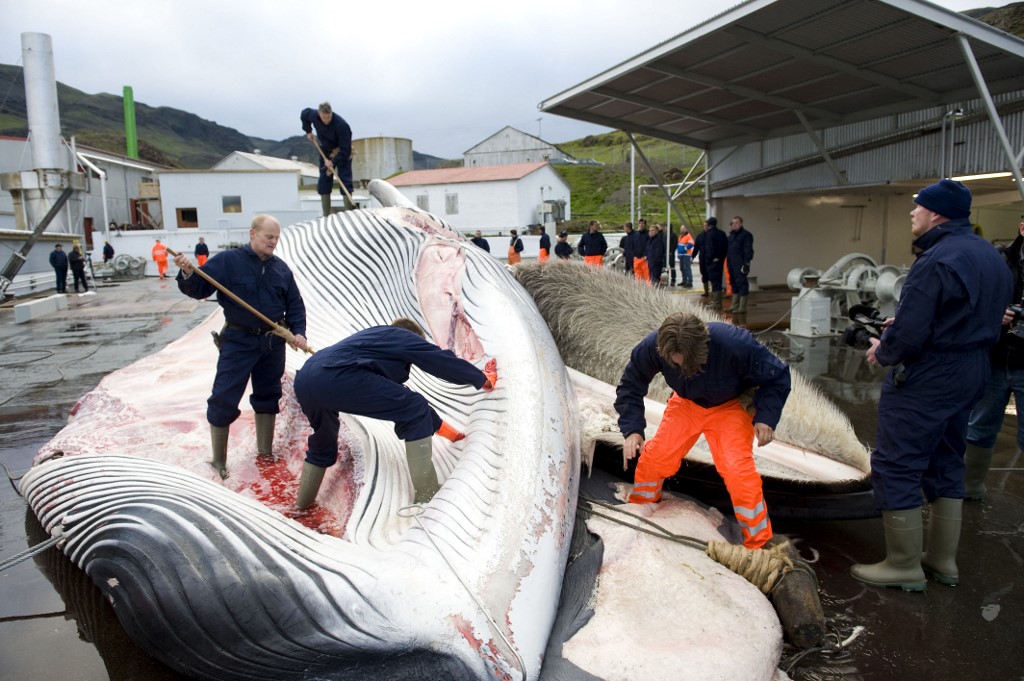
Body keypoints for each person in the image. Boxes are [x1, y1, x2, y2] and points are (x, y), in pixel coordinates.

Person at [851, 179, 1011, 591]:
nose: (912, 213)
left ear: (937, 213)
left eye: (917, 207)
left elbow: (909, 335)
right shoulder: (990, 256)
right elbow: (975, 314)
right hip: (973, 367)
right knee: (946, 456)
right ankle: (942, 560)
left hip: (931, 374)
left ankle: (903, 564)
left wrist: (883, 351)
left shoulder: (936, 260)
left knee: (897, 461)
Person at [615, 312, 791, 549]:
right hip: (686, 404)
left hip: (730, 406)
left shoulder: (736, 344)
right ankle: (642, 506)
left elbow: (777, 375)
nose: (683, 368)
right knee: (657, 456)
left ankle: (758, 543)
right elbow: (631, 385)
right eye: (676, 363)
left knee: (737, 470)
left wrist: (766, 418)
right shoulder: (652, 346)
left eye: (690, 363)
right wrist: (632, 429)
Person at [292, 318, 497, 507]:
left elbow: (395, 395)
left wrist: (449, 432)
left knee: (323, 441)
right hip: (337, 377)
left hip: (307, 380)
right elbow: (439, 360)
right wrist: (481, 379)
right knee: (414, 408)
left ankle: (302, 507)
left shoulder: (374, 339)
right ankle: (428, 493)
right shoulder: (401, 336)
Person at [173, 214, 309, 479]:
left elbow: (295, 305)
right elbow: (199, 288)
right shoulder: (227, 262)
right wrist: (188, 271)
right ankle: (219, 461)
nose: (274, 242)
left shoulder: (281, 269)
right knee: (224, 396)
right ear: (252, 233)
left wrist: (299, 333)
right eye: (269, 236)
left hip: (272, 341)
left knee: (268, 395)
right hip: (238, 340)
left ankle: (264, 452)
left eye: (277, 238)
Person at [964, 216, 1024, 500]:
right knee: (980, 425)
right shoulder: (996, 260)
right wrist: (994, 315)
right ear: (1022, 227)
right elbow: (970, 302)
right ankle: (970, 488)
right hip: (996, 357)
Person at [301, 101, 353, 216]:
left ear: (331, 114)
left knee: (345, 180)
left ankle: (349, 214)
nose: (326, 120)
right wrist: (308, 131)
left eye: (328, 117)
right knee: (324, 181)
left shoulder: (342, 125)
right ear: (319, 114)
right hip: (325, 151)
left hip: (342, 152)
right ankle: (326, 215)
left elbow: (346, 150)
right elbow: (304, 114)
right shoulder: (313, 115)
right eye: (324, 117)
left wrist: (333, 162)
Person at [725, 216, 754, 313]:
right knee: (733, 282)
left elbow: (748, 249)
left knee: (741, 282)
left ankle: (742, 307)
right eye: (733, 223)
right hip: (731, 262)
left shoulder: (746, 235)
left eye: (736, 222)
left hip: (740, 262)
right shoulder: (731, 236)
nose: (734, 224)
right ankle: (734, 305)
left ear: (741, 223)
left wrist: (746, 262)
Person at [701, 217, 728, 310]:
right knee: (718, 280)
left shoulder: (710, 235)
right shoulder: (722, 233)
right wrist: (720, 257)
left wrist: (709, 259)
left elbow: (710, 249)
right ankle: (715, 301)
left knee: (714, 282)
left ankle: (716, 302)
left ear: (709, 225)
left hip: (712, 262)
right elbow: (725, 247)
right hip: (720, 261)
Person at [692, 221, 709, 297]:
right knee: (704, 274)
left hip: (711, 258)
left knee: (712, 275)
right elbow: (696, 247)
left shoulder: (713, 235)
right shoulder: (700, 236)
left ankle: (714, 291)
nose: (705, 227)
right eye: (704, 226)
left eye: (707, 226)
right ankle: (706, 291)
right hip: (702, 258)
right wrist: (692, 256)